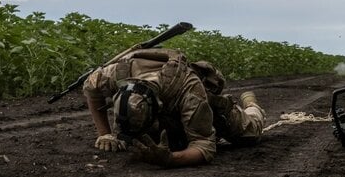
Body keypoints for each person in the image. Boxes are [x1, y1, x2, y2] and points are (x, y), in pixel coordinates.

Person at [82, 48, 265, 167]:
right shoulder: (114, 74)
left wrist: (170, 159)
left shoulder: (190, 92)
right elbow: (90, 90)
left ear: (157, 107)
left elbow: (203, 145)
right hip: (166, 111)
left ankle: (251, 106)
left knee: (250, 134)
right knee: (166, 140)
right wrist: (104, 133)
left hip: (205, 109)